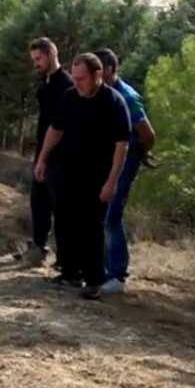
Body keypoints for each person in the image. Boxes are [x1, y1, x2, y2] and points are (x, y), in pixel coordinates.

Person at [34, 53, 130, 300]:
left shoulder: (114, 102)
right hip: (66, 171)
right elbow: (55, 129)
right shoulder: (70, 97)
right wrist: (43, 159)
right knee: (65, 221)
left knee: (91, 227)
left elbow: (122, 145)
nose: (76, 83)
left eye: (82, 78)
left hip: (97, 176)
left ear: (98, 75)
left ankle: (94, 280)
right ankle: (69, 272)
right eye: (74, 78)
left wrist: (112, 181)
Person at [94, 48, 156, 294]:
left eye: (99, 69)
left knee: (112, 215)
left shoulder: (127, 96)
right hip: (106, 161)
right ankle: (101, 269)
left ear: (109, 69)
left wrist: (139, 154)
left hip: (124, 162)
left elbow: (148, 134)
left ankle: (117, 275)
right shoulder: (103, 94)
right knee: (101, 213)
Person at [15, 36, 73, 266]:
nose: (35, 63)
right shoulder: (46, 82)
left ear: (50, 55)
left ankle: (65, 258)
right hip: (43, 152)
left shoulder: (65, 84)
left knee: (60, 208)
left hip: (58, 155)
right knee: (38, 202)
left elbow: (59, 126)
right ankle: (39, 248)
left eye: (38, 58)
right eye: (33, 59)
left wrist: (46, 157)